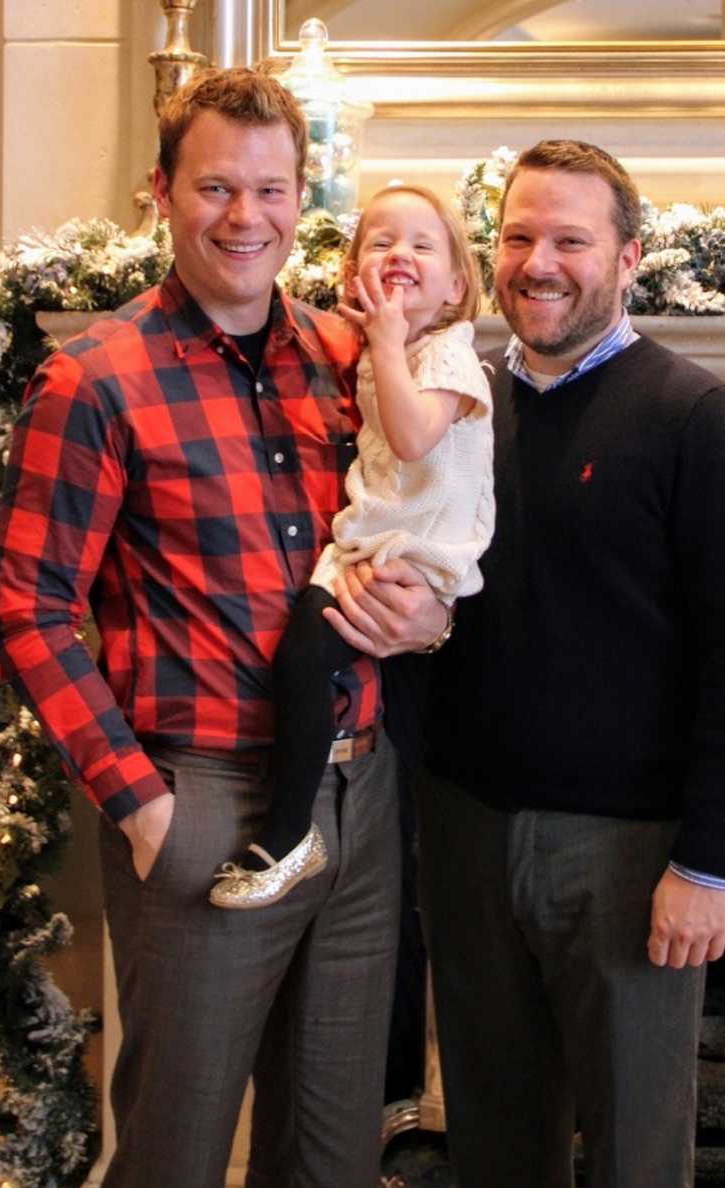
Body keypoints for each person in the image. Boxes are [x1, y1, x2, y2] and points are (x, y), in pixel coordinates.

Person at [0, 66, 445, 1188]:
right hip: (201, 806)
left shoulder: (349, 359)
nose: (246, 216)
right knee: (177, 1167)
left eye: (272, 189)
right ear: (162, 195)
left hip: (355, 803)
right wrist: (138, 802)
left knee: (330, 1166)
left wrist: (432, 613)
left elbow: (425, 521)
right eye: (216, 188)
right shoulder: (97, 380)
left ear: (306, 199)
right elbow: (26, 609)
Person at [412, 140, 725, 1188]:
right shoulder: (457, 408)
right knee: (494, 1132)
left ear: (628, 258)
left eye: (571, 239)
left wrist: (710, 864)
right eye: (521, 237)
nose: (540, 263)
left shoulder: (699, 420)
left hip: (631, 856)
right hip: (468, 832)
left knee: (634, 1159)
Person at [211, 184, 494, 909]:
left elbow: (409, 435)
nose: (400, 253)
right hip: (370, 539)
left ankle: (287, 830)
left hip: (415, 549)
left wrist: (386, 341)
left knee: (305, 657)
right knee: (303, 659)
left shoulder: (450, 359)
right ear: (351, 276)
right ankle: (295, 825)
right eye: (380, 242)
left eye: (422, 245)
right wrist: (381, 342)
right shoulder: (386, 350)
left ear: (458, 284)